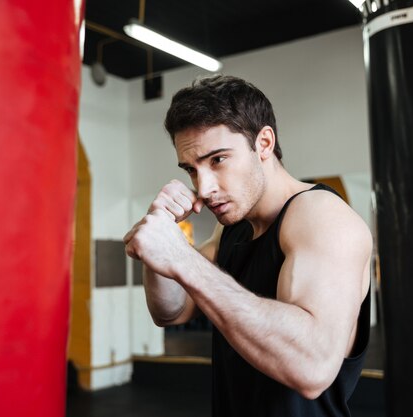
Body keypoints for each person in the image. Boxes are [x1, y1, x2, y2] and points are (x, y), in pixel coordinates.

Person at [124, 75, 372, 417]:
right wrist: (158, 245)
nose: (204, 187)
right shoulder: (232, 232)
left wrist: (183, 258)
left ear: (264, 143)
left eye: (218, 160)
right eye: (192, 171)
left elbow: (312, 367)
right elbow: (170, 311)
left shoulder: (321, 217)